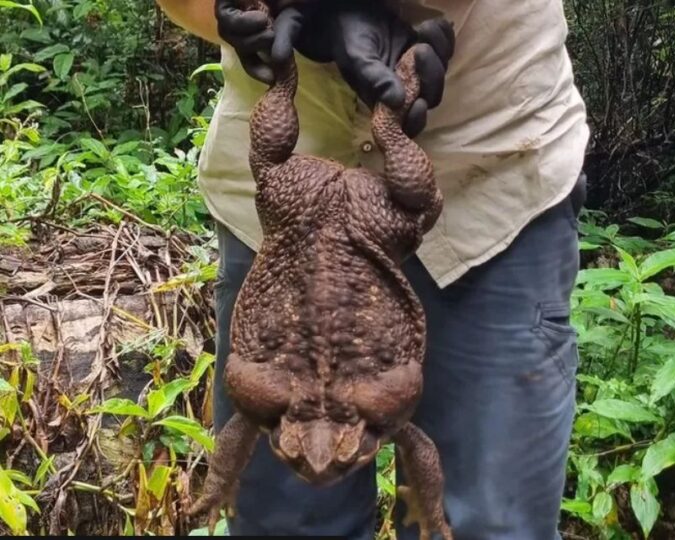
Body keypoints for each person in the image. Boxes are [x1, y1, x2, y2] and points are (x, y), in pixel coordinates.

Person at [155, 1, 590, 538]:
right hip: (288, 210)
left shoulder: (351, 405)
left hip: (485, 172)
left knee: (484, 524)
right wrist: (255, 13)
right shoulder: (301, 404)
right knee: (284, 526)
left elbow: (410, 432)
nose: (318, 461)